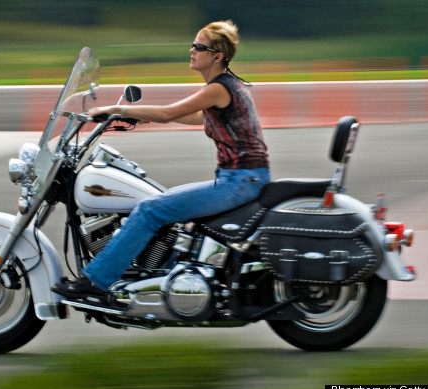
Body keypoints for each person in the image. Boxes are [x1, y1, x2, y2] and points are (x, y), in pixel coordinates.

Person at [52, 20, 270, 299]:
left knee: (149, 210)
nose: (191, 50)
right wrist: (134, 117)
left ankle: (95, 282)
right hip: (242, 179)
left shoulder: (219, 88)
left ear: (217, 56)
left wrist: (117, 108)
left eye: (199, 46)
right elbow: (193, 116)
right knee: (161, 200)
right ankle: (163, 277)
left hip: (239, 182)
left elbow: (169, 112)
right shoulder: (227, 87)